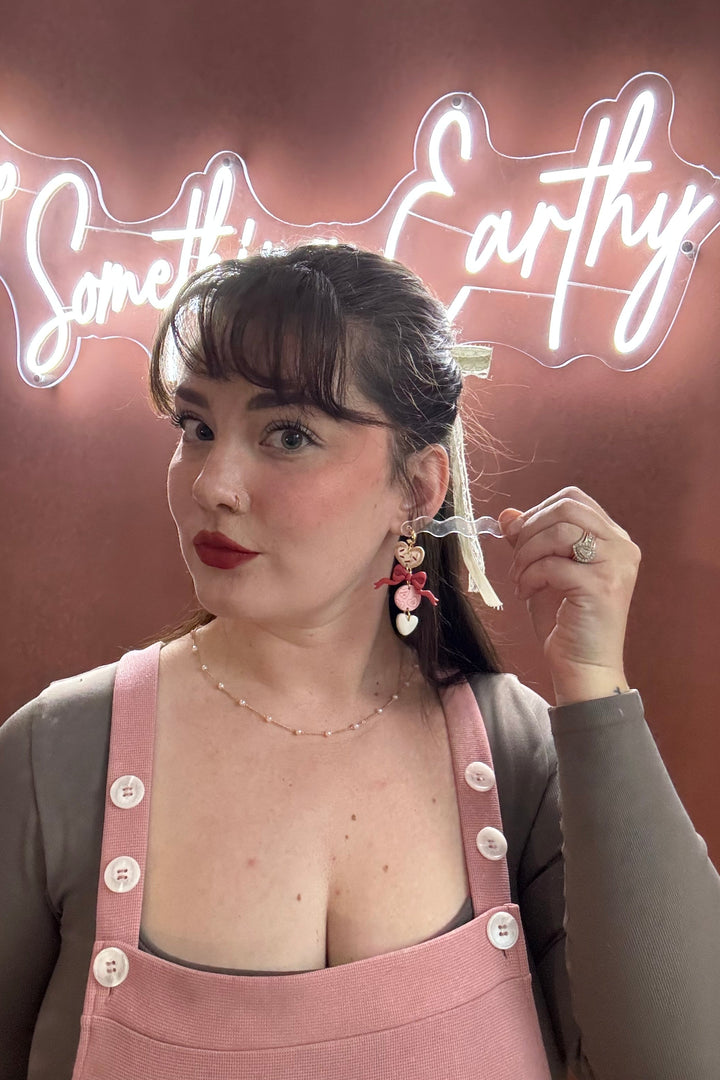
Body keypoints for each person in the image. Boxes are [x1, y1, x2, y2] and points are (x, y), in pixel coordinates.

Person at [0, 243, 718, 1080]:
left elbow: (682, 1057)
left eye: (288, 435)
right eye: (196, 427)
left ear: (417, 489)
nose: (213, 483)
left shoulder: (519, 758)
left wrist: (597, 690)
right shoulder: (59, 755)